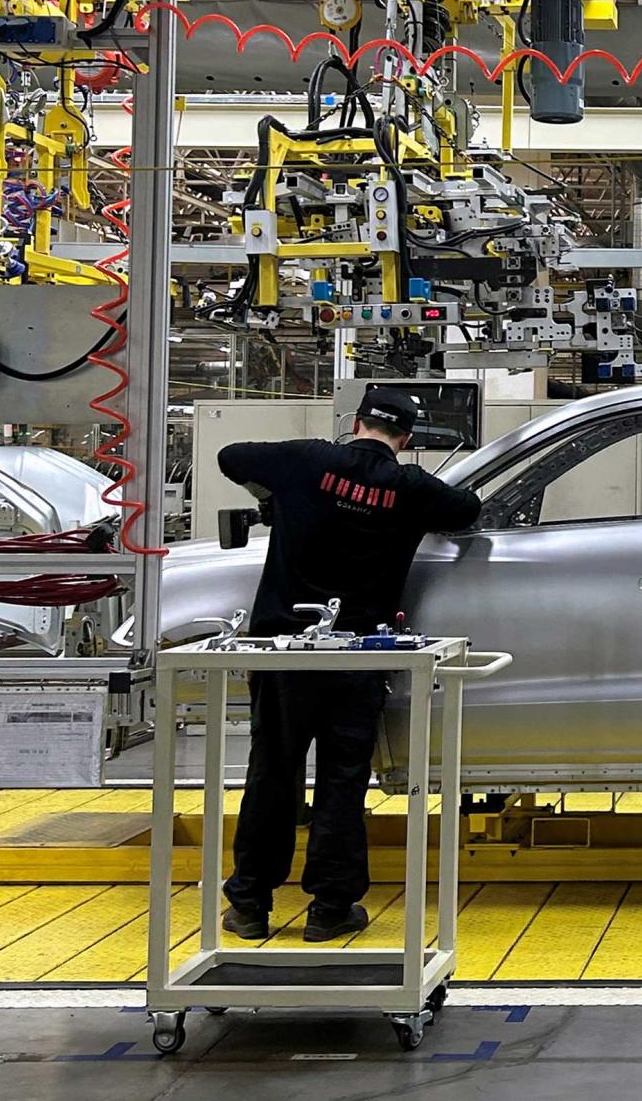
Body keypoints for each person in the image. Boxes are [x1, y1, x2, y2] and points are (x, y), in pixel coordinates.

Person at [216, 388, 482, 942]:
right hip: (358, 652)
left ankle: (250, 906)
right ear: (405, 438)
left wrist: (273, 494)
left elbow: (230, 456)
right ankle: (329, 909)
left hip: (283, 653)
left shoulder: (306, 458)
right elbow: (467, 509)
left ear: (355, 422)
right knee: (343, 778)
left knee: (272, 771)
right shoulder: (411, 487)